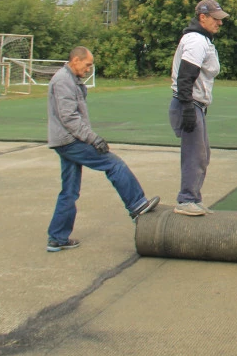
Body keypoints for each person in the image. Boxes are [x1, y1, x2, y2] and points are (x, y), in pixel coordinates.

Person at [47, 47, 159, 252]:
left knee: (70, 190)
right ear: (75, 60)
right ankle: (137, 205)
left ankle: (57, 238)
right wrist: (93, 139)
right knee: (113, 164)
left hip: (66, 140)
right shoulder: (63, 81)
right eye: (87, 64)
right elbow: (69, 118)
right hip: (70, 141)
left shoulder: (71, 79)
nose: (90, 69)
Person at [169, 0, 229, 216]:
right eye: (216, 19)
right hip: (188, 103)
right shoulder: (195, 41)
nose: (220, 23)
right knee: (195, 154)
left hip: (194, 104)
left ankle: (193, 197)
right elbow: (186, 76)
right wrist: (187, 108)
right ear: (202, 17)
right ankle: (186, 200)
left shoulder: (203, 39)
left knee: (202, 154)